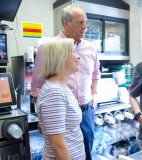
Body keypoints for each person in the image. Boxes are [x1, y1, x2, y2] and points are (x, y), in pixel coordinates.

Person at [30, 4, 101, 160]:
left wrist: (94, 94)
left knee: (85, 147)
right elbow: (37, 86)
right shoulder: (49, 47)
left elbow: (96, 73)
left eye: (86, 22)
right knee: (61, 147)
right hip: (59, 112)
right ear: (65, 23)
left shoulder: (90, 47)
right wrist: (43, 118)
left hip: (85, 109)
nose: (85, 27)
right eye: (80, 22)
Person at [36, 38, 85, 160]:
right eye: (73, 52)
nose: (78, 57)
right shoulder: (54, 92)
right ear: (60, 57)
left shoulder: (62, 87)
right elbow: (57, 145)